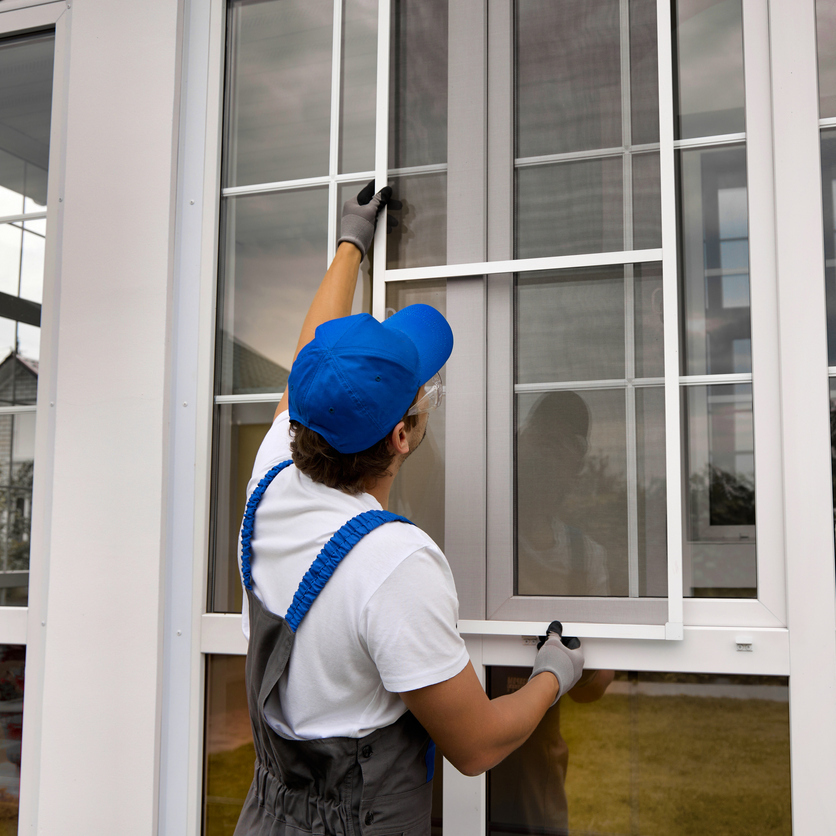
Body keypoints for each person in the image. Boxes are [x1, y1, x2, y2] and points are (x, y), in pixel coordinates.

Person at [234, 182, 587, 836]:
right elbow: (476, 744)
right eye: (423, 390)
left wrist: (352, 245)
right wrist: (550, 676)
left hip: (268, 813)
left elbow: (310, 356)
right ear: (403, 436)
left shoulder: (273, 472)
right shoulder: (391, 563)